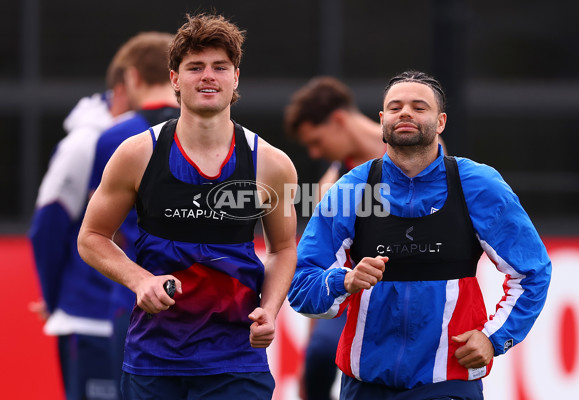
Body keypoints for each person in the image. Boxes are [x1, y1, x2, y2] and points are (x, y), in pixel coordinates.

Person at [287, 70, 551, 400]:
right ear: (382, 120)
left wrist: (496, 337)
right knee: (319, 350)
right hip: (364, 384)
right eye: (395, 107)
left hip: (448, 383)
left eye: (419, 106)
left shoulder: (479, 184)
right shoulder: (348, 189)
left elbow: (533, 272)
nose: (406, 113)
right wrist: (345, 281)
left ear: (440, 122)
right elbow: (300, 284)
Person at [78, 12, 298, 400]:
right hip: (154, 359)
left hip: (237, 360)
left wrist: (271, 307)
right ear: (175, 79)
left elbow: (282, 249)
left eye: (220, 66)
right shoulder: (137, 153)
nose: (208, 76)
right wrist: (139, 280)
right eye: (195, 67)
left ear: (236, 78)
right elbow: (91, 237)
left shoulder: (271, 163)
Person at [29, 41, 133, 400]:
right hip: (91, 316)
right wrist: (57, 298)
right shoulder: (84, 143)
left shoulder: (156, 137)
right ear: (125, 87)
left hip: (135, 316)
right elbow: (48, 225)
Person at [86, 31, 180, 397]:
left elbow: (98, 231)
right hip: (210, 304)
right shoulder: (218, 134)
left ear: (133, 78)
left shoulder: (117, 138)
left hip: (136, 297)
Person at [284, 77, 386, 400]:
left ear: (339, 120)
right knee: (320, 354)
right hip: (351, 286)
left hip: (403, 290)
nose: (315, 152)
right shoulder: (334, 183)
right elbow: (320, 260)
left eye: (316, 141)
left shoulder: (420, 154)